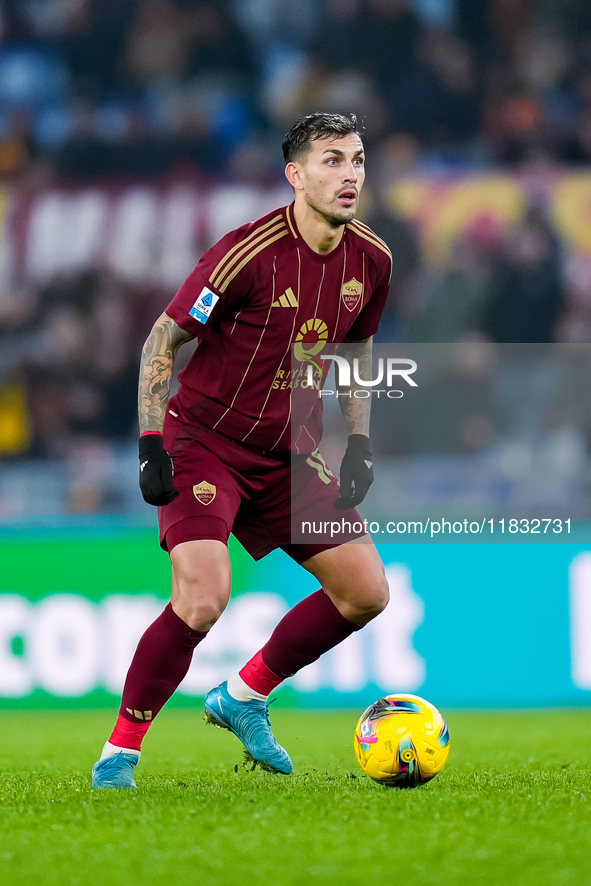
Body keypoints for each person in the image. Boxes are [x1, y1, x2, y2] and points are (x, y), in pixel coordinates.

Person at [91, 112, 393, 788]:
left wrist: (361, 440)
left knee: (366, 593)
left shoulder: (372, 260)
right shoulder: (246, 253)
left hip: (289, 454)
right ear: (295, 175)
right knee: (203, 598)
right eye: (331, 161)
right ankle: (120, 752)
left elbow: (356, 351)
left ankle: (244, 694)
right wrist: (149, 441)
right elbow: (162, 340)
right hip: (206, 443)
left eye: (357, 160)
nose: (349, 175)